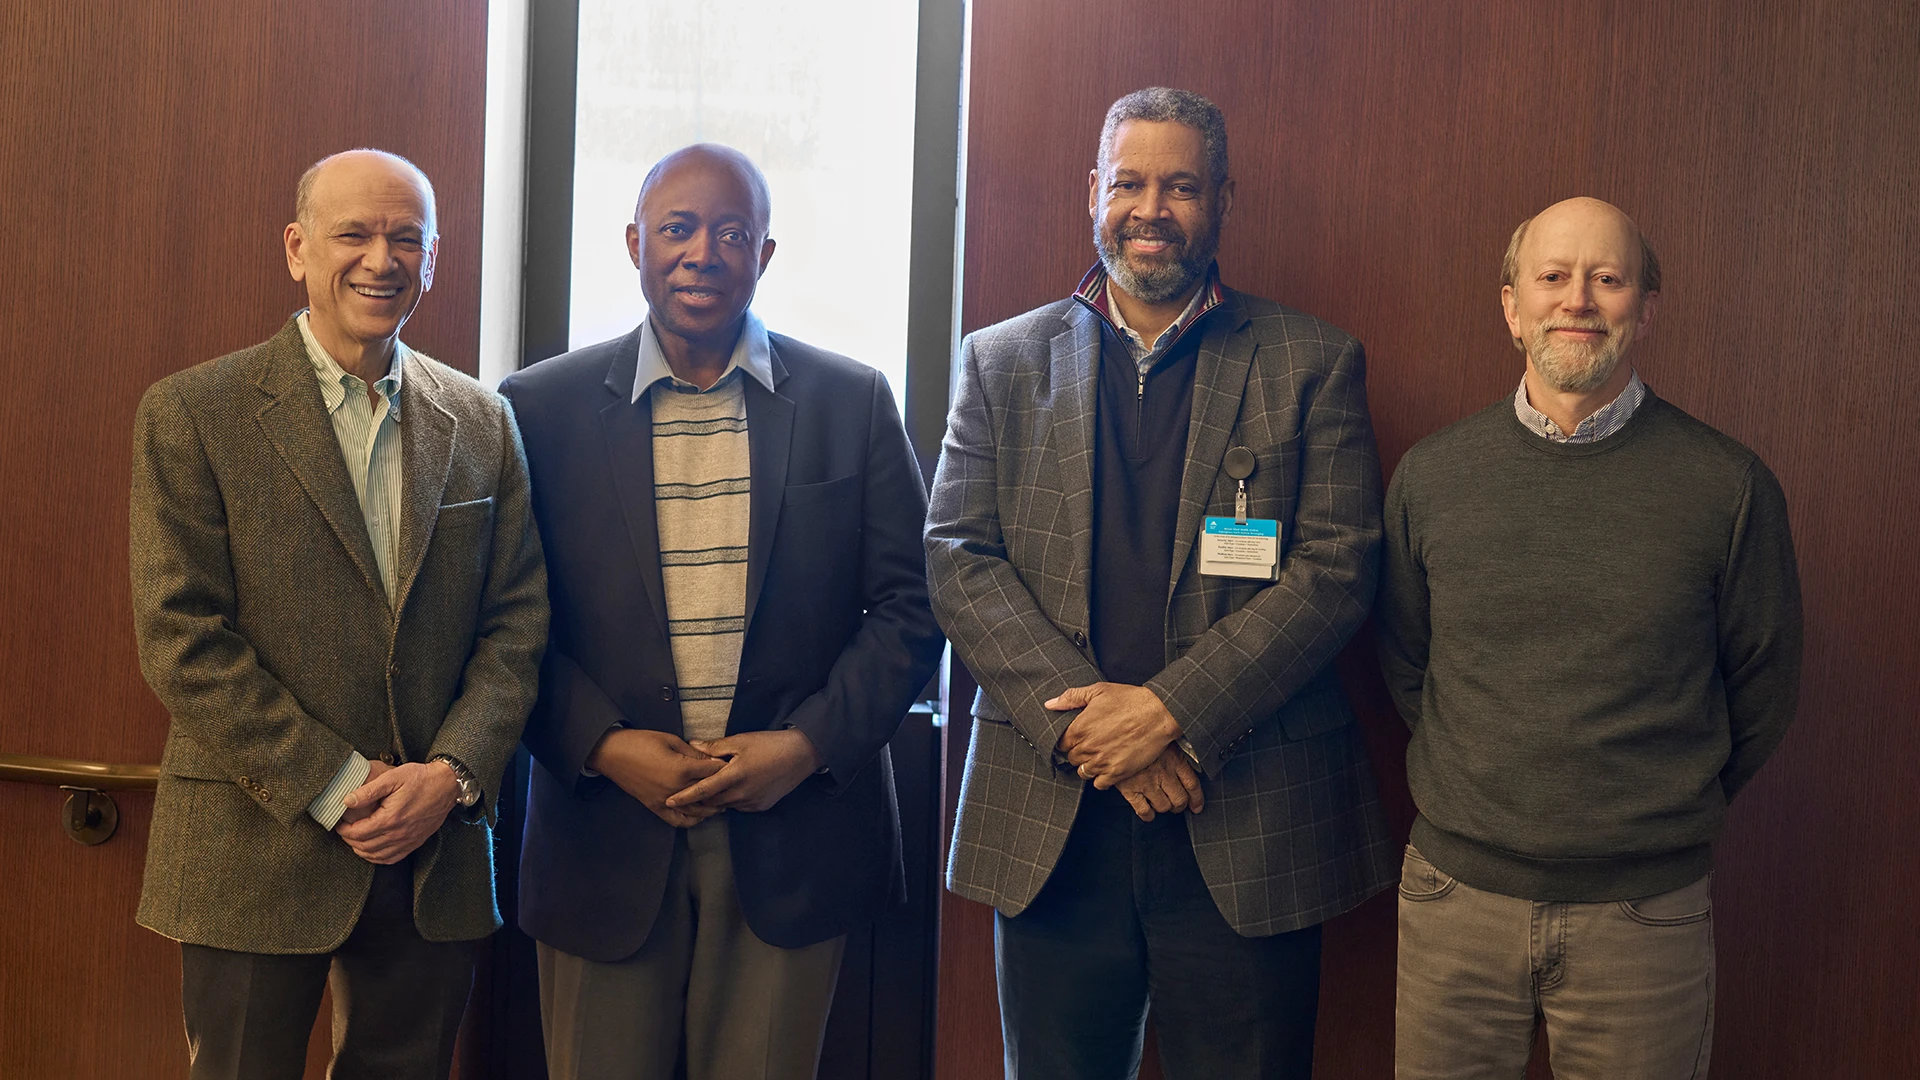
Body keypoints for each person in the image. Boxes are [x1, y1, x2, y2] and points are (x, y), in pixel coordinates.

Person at [925, 87, 1396, 1080]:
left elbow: (1336, 568)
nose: (1152, 208)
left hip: (1247, 819)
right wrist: (1097, 736)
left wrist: (1170, 714)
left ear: (1220, 198)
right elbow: (958, 557)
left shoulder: (1310, 362)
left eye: (1180, 185)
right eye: (1130, 182)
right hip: (1056, 816)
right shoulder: (1001, 362)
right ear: (1092, 190)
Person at [502, 143, 943, 1080]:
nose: (704, 252)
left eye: (731, 233)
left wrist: (805, 747)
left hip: (794, 834)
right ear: (633, 244)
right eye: (677, 229)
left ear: (765, 255)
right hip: (603, 833)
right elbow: (502, 625)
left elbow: (913, 607)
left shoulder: (851, 402)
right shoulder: (536, 410)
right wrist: (607, 746)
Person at [128, 148, 549, 1080]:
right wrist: (338, 781)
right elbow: (180, 636)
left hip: (433, 845)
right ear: (296, 248)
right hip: (255, 838)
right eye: (352, 233)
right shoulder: (195, 412)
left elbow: (516, 626)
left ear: (433, 259)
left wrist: (450, 773)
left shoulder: (483, 421)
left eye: (406, 237)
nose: (380, 258)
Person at [1378, 196, 1803, 1079]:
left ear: (1645, 308)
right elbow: (1407, 663)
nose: (1578, 299)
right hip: (1457, 901)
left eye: (1607, 279)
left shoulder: (1728, 487)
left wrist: (1654, 811)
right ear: (1511, 305)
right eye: (1554, 276)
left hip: (1644, 914)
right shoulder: (1432, 476)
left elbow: (1764, 684)